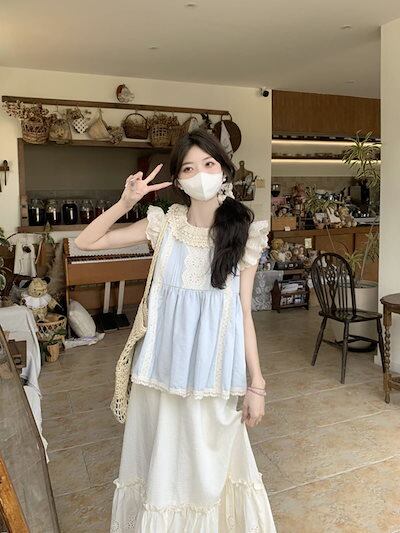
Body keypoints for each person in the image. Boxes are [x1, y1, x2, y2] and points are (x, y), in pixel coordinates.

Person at [75, 129, 276, 532]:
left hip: (212, 377)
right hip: (159, 375)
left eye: (208, 164)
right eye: (188, 168)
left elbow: (243, 313)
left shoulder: (245, 233)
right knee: (162, 470)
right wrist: (126, 202)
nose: (200, 174)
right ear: (179, 181)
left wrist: (257, 383)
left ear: (223, 171)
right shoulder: (163, 225)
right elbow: (86, 241)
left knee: (209, 472)